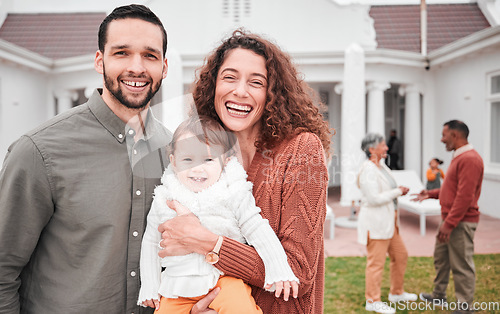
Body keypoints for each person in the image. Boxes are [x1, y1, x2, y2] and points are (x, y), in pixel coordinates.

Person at [0, 5, 172, 313]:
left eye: (150, 55)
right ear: (99, 60)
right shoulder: (38, 151)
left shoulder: (176, 153)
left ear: (165, 66)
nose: (137, 67)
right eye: (121, 53)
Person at [156, 29, 331, 313]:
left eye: (256, 82)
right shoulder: (203, 156)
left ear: (273, 93)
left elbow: (298, 272)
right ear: (213, 86)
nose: (240, 91)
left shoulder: (301, 150)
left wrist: (209, 244)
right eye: (229, 77)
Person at [137, 116, 299, 313]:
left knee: (241, 309)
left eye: (208, 159)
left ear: (225, 162)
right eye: (187, 159)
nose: (197, 168)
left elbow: (256, 226)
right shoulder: (165, 197)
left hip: (224, 280)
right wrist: (150, 285)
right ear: (174, 162)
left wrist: (278, 267)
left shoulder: (232, 191)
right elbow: (151, 241)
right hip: (177, 286)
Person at [413, 120, 483, 313]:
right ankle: (438, 296)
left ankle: (465, 307)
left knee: (461, 264)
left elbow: (465, 196)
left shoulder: (470, 159)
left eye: (444, 135)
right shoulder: (458, 157)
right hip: (450, 220)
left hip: (460, 222)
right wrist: (432, 193)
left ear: (455, 135)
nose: (442, 139)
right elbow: (451, 189)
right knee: (441, 259)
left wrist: (449, 223)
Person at [357, 133, 417, 314]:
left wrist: (397, 191)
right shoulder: (367, 169)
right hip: (376, 225)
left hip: (391, 224)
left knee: (401, 256)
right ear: (371, 149)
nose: (386, 148)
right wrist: (398, 192)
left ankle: (396, 293)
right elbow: (373, 198)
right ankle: (372, 301)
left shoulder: (382, 167)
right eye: (383, 145)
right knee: (376, 264)